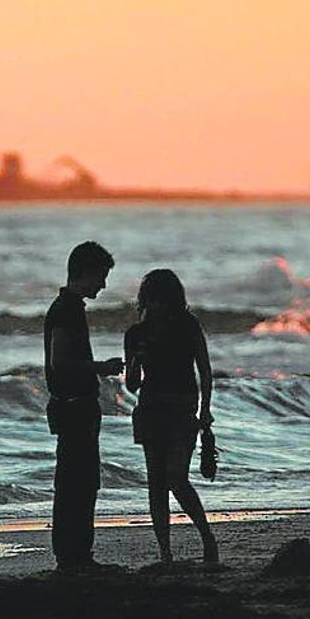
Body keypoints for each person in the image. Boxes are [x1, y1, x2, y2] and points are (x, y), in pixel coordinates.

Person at [124, 268, 219, 564]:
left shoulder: (188, 325)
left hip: (182, 407)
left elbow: (204, 368)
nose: (156, 306)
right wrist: (135, 363)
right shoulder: (135, 334)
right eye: (151, 300)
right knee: (156, 482)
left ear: (173, 300)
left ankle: (207, 536)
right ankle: (165, 553)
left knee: (176, 477)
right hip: (150, 408)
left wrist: (205, 408)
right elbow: (132, 385)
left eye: (161, 299)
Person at [44, 241, 124, 572]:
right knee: (78, 483)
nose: (103, 285)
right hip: (75, 408)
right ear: (86, 273)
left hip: (74, 407)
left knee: (77, 482)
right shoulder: (67, 310)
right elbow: (60, 361)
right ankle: (74, 557)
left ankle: (75, 556)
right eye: (101, 276)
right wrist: (99, 368)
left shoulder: (68, 307)